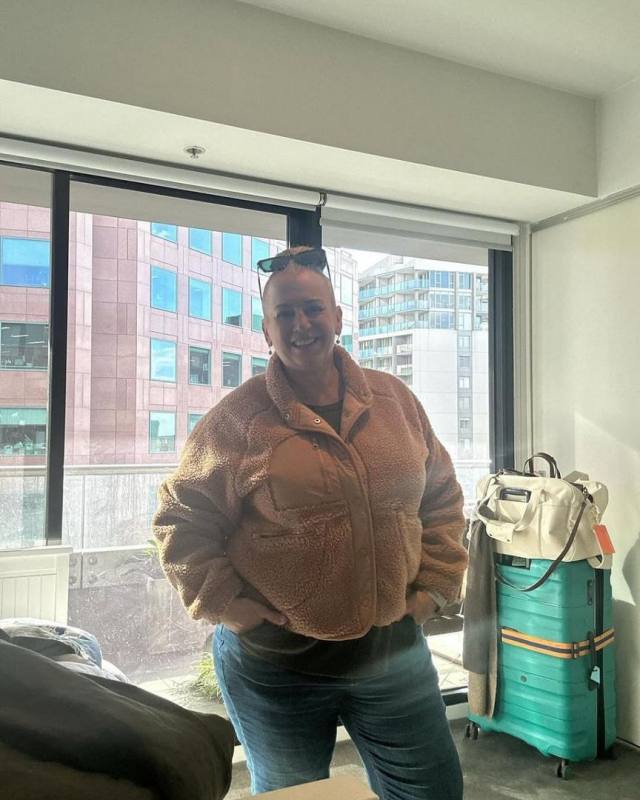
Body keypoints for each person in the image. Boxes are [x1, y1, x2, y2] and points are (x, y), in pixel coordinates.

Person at [153, 246, 468, 799]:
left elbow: (440, 496)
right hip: (277, 669)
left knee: (433, 792)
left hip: (394, 655)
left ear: (338, 317)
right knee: (296, 796)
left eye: (313, 309)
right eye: (285, 314)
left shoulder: (395, 402)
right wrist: (226, 604)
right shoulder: (237, 420)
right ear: (267, 331)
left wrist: (434, 589)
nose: (302, 324)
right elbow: (181, 518)